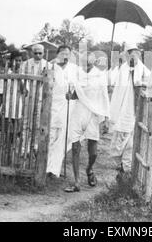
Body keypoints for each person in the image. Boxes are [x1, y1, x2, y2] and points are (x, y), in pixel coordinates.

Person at [64, 51, 110, 193]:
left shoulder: (100, 76)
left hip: (93, 113)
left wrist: (106, 118)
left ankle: (89, 169)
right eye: (84, 63)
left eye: (90, 63)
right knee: (76, 147)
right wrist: (69, 95)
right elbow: (74, 95)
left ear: (95, 63)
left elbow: (104, 96)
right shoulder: (77, 75)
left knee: (93, 152)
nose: (87, 66)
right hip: (79, 111)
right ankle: (76, 182)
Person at [109, 43, 151, 176]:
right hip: (121, 107)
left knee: (130, 140)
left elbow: (151, 82)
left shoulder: (143, 69)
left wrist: (142, 84)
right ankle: (119, 162)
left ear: (139, 55)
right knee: (118, 137)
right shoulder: (122, 68)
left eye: (136, 53)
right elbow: (111, 80)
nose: (134, 55)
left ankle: (126, 165)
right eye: (131, 53)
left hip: (134, 108)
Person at [46, 45, 78, 178]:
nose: (65, 56)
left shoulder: (74, 69)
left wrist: (73, 93)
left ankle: (54, 168)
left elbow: (78, 86)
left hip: (69, 105)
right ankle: (46, 166)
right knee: (51, 134)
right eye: (63, 53)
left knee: (64, 137)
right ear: (58, 54)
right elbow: (46, 84)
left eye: (67, 54)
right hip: (54, 103)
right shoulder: (51, 66)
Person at [0, 51, 25, 165]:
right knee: (6, 134)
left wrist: (19, 78)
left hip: (17, 109)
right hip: (7, 107)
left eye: (20, 60)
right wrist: (2, 105)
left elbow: (25, 92)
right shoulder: (6, 74)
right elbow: (1, 92)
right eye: (16, 60)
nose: (18, 62)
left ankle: (12, 157)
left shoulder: (23, 75)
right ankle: (5, 157)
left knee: (15, 134)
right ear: (11, 61)